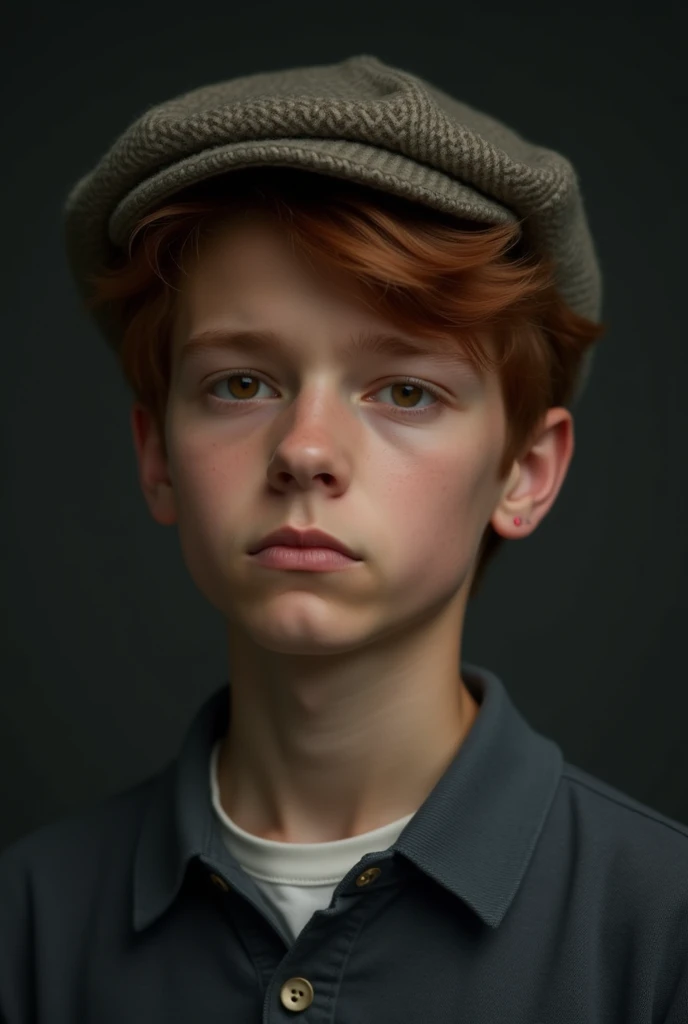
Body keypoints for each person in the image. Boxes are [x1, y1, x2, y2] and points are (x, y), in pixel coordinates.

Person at [1, 54, 686, 1023]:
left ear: (524, 472)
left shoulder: (662, 929)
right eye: (240, 383)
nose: (306, 450)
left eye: (405, 390)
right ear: (156, 454)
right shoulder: (24, 926)